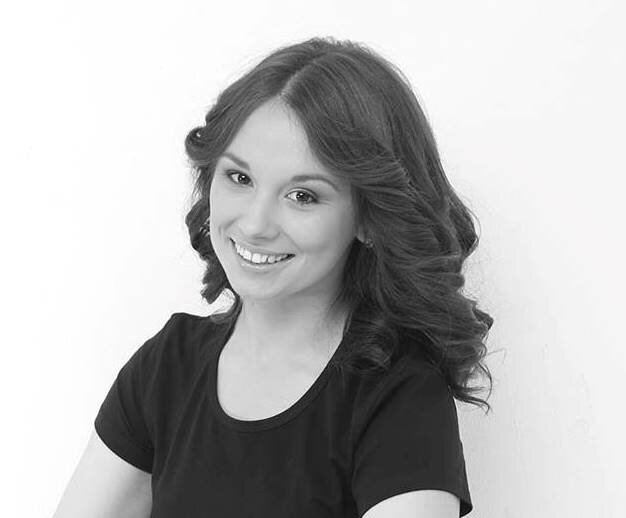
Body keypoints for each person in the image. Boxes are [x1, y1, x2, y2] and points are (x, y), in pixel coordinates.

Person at [53, 36, 493, 518]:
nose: (256, 224)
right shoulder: (167, 367)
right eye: (240, 178)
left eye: (303, 196)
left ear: (369, 218)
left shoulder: (400, 397)